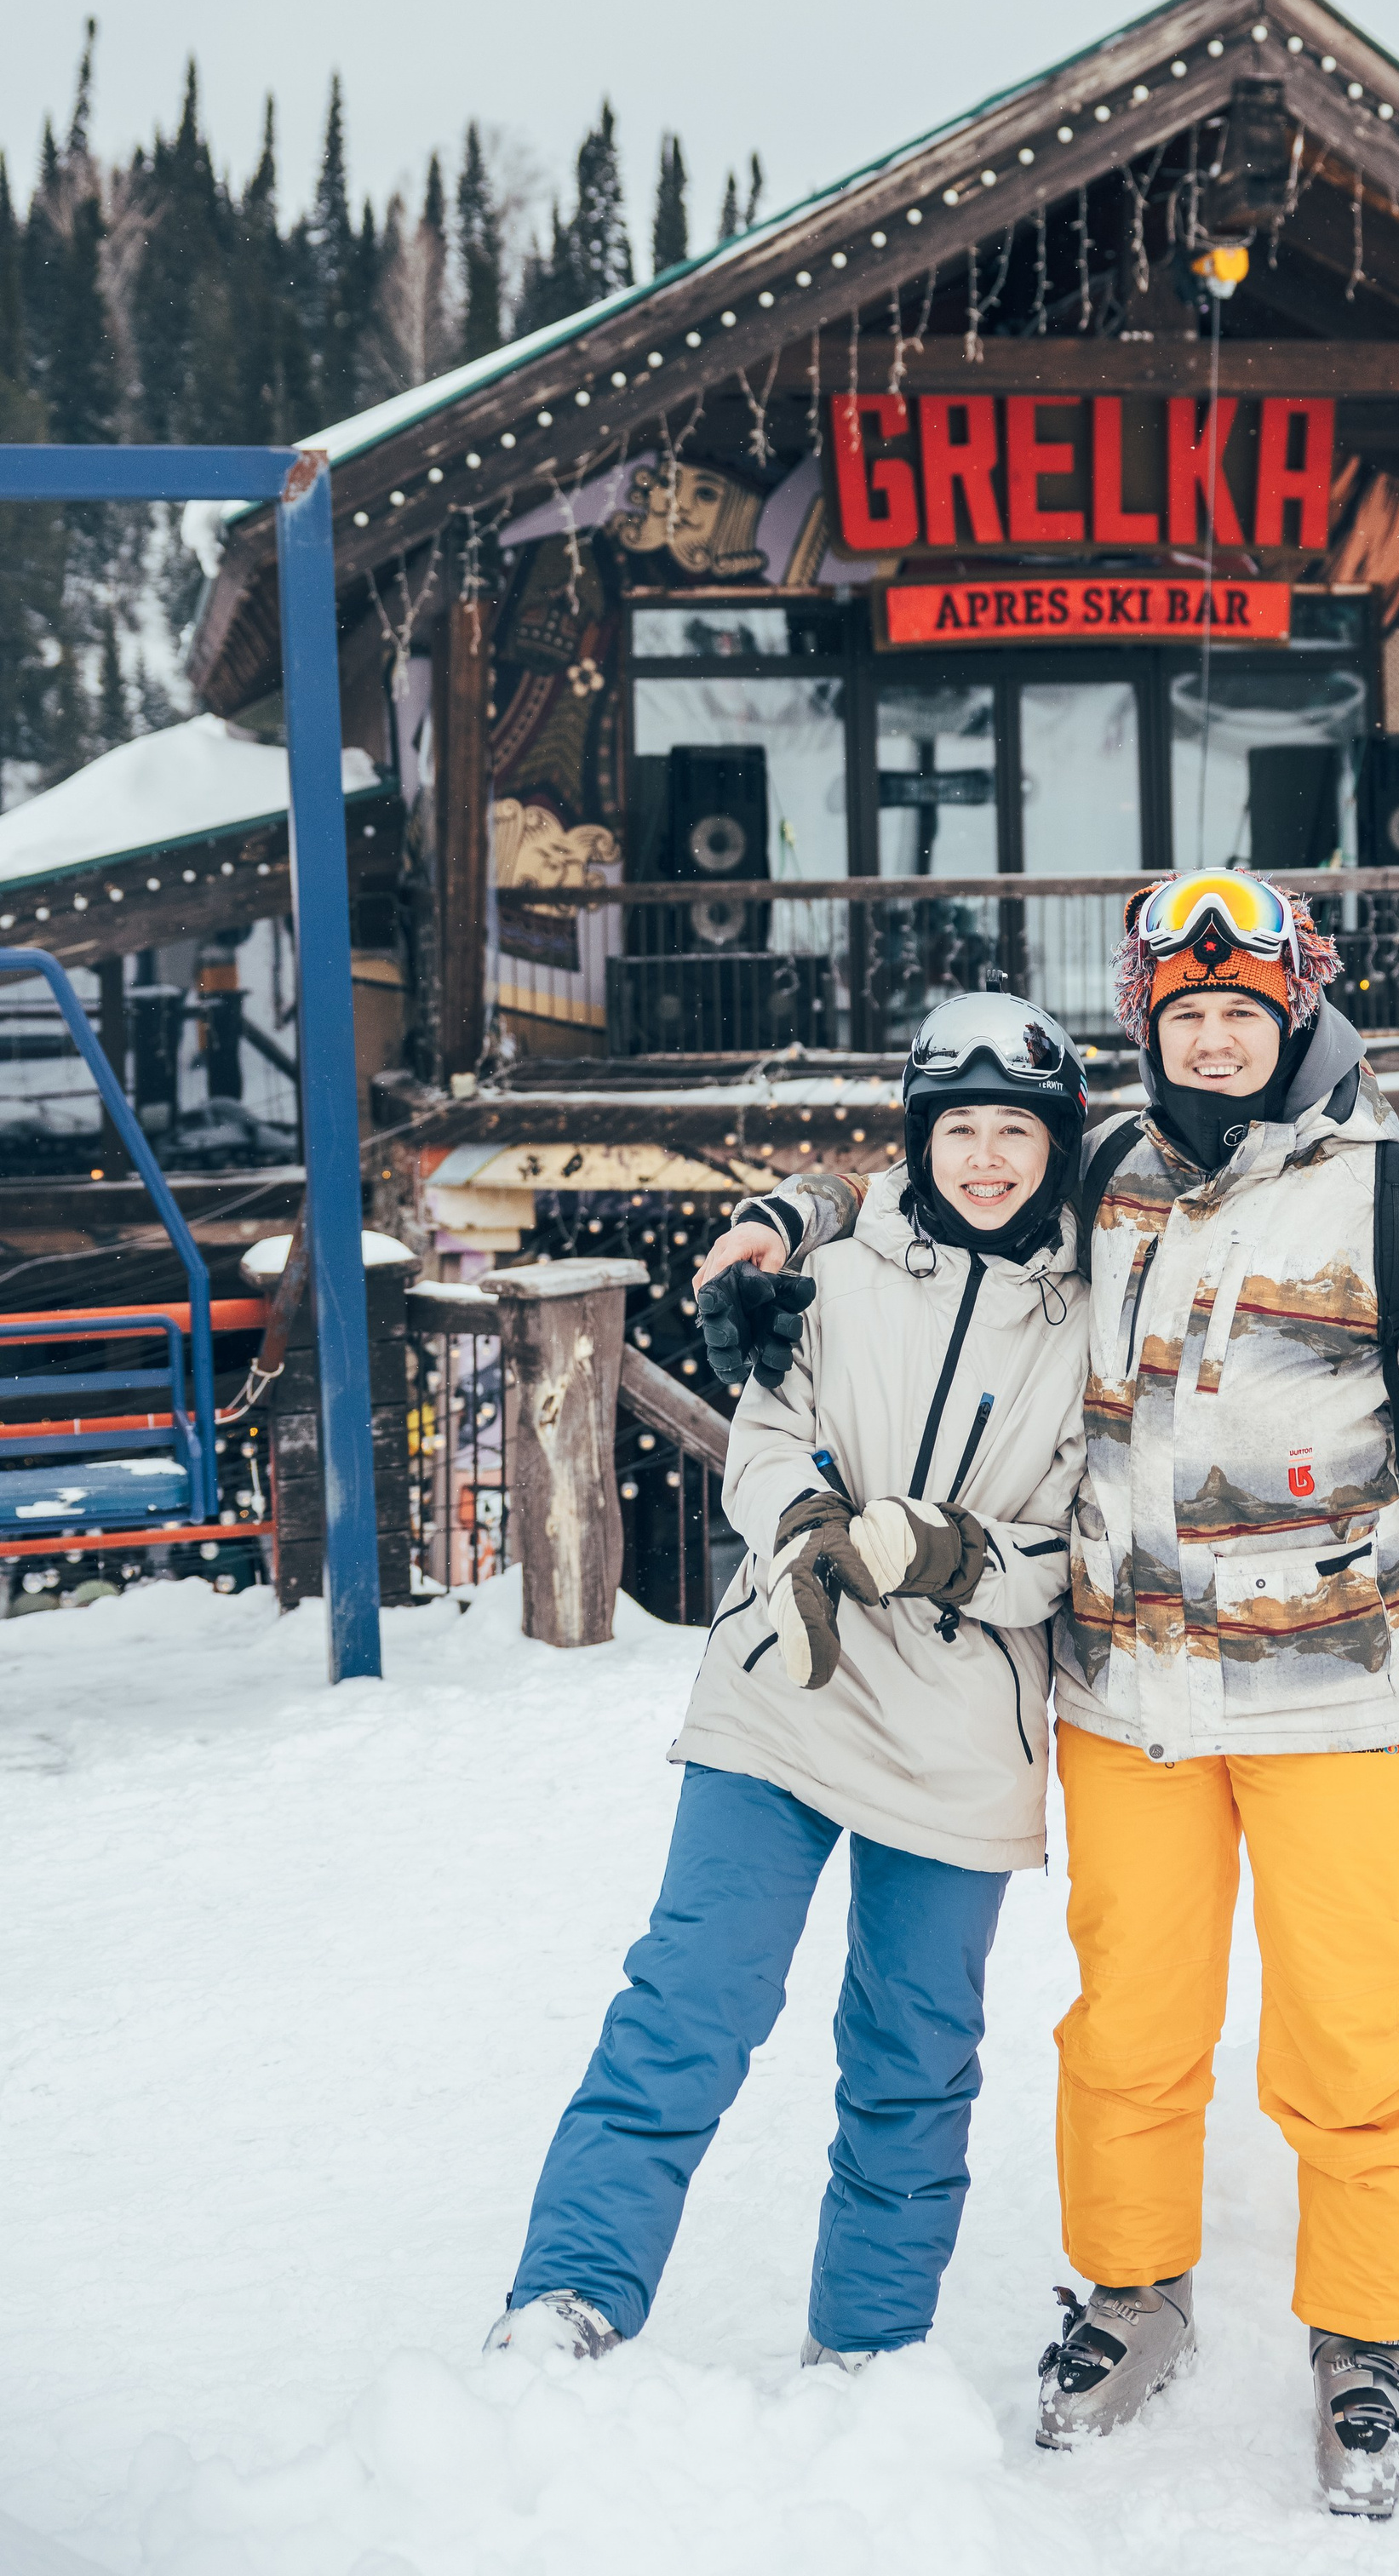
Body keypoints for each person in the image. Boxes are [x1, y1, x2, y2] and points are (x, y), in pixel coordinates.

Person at [704, 874, 1399, 2519]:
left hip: (1334, 1703)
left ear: (1295, 1017)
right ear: (1152, 1028)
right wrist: (780, 1221)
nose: (1218, 1038)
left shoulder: (1396, 1195)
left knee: (1345, 2040)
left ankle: (1368, 2339)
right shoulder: (1101, 1175)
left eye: (1245, 1012)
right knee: (1128, 2030)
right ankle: (1130, 2294)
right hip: (1130, 1696)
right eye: (1190, 1015)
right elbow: (932, 1194)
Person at [488, 993, 1090, 2370]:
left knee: (914, 2049)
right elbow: (765, 1434)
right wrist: (809, 1526)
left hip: (962, 1724)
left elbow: (1074, 1545)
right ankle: (571, 2292)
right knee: (689, 1997)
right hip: (788, 1675)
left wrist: (949, 1553)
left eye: (1015, 1131)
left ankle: (868, 2345)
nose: (986, 1158)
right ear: (919, 1140)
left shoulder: (1091, 1318)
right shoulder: (838, 1270)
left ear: (1056, 1145)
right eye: (959, 1129)